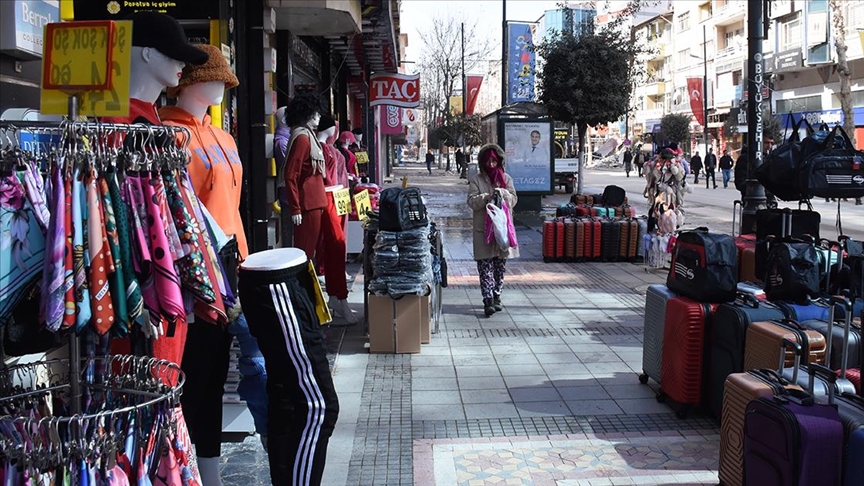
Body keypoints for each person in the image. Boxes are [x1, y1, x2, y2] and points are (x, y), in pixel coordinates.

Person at [160, 44, 266, 485]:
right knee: (194, 374)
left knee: (218, 371)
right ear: (190, 80)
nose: (222, 85)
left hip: (231, 269)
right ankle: (184, 469)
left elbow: (232, 208)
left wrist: (246, 263)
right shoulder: (166, 135)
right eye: (215, 76)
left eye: (225, 78)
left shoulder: (223, 138)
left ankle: (208, 471)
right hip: (191, 276)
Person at [467, 144, 519, 317]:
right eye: (487, 160)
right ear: (482, 162)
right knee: (485, 267)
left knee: (499, 267)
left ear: (499, 161)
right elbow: (471, 202)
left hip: (502, 231)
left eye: (493, 160)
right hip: (483, 231)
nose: (490, 164)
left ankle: (497, 296)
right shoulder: (476, 180)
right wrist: (485, 198)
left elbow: (513, 199)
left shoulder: (507, 178)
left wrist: (503, 194)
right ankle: (487, 300)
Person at [315, 114, 357, 325]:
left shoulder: (330, 150)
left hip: (338, 197)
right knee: (335, 247)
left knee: (339, 248)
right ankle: (338, 296)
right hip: (329, 197)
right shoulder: (319, 148)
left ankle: (337, 296)